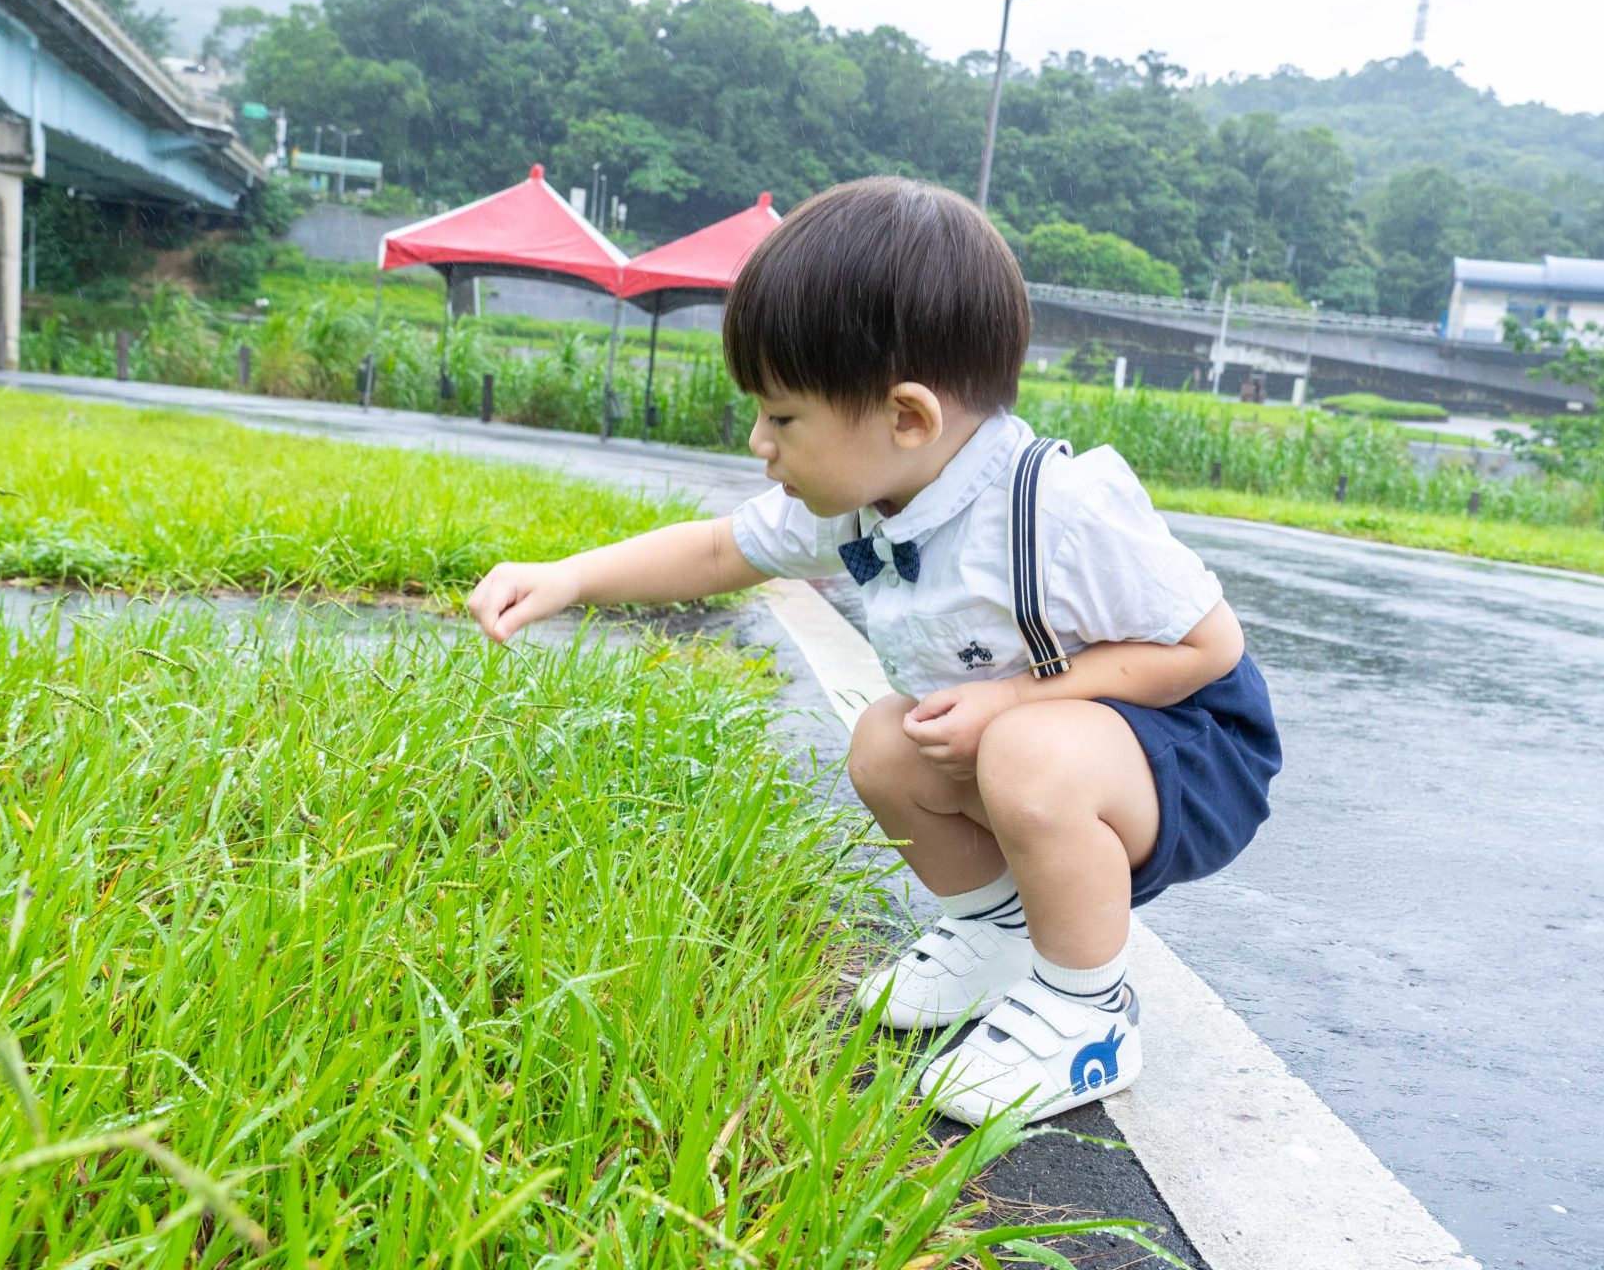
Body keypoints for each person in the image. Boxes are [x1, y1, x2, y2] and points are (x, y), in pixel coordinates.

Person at [466, 176, 1281, 1125]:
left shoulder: (1050, 508)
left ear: (907, 417)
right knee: (886, 743)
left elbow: (1206, 649)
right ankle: (998, 934)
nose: (760, 444)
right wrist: (568, 575)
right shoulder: (872, 490)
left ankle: (1088, 1011)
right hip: (1060, 743)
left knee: (1021, 750)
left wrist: (1017, 703)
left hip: (1191, 753)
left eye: (782, 417)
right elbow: (722, 549)